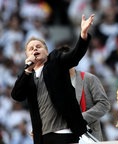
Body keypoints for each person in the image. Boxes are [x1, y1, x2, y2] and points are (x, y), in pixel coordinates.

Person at [11, 14, 94, 144]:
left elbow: (74, 56)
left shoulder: (55, 61)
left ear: (46, 51)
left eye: (38, 46)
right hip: (43, 137)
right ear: (27, 55)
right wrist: (27, 70)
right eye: (30, 49)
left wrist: (83, 35)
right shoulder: (27, 76)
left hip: (65, 133)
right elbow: (17, 95)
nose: (35, 49)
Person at [69, 67, 111, 141]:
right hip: (66, 136)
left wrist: (82, 117)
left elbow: (104, 104)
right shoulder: (54, 83)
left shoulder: (88, 78)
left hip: (89, 135)